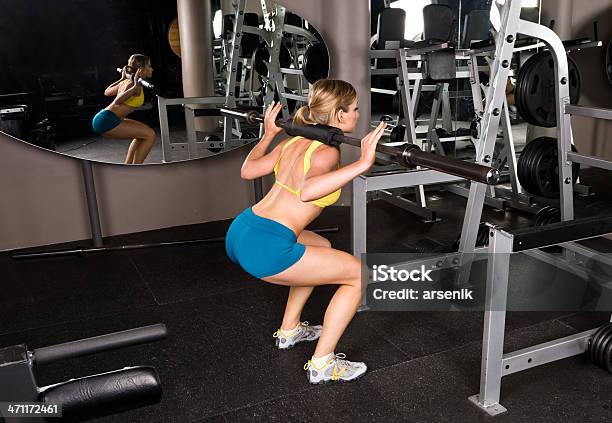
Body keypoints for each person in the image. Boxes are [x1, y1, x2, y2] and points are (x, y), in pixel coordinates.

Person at [225, 79, 387, 384]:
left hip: (243, 229)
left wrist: (268, 136)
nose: (357, 114)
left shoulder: (292, 142)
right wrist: (363, 162)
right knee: (358, 275)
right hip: (266, 246)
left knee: (321, 247)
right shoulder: (326, 152)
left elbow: (248, 171)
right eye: (354, 109)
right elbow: (308, 191)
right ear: (339, 116)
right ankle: (323, 364)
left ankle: (290, 330)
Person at [92, 54, 155, 164]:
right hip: (107, 120)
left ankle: (128, 166)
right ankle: (135, 169)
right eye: (149, 66)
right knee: (150, 135)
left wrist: (121, 79)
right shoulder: (133, 85)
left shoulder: (126, 81)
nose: (152, 69)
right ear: (141, 69)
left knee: (144, 133)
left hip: (107, 117)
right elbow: (117, 101)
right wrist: (135, 86)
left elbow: (107, 92)